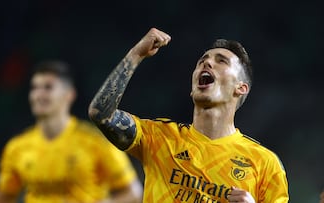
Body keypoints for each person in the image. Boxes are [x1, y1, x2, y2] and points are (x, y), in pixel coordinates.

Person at [88, 28, 289, 203]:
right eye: (203, 60)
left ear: (241, 88)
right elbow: (101, 114)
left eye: (221, 61)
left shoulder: (265, 163)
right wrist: (136, 54)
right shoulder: (159, 138)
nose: (207, 63)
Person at [0, 60, 143, 203]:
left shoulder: (94, 142)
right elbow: (6, 196)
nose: (39, 94)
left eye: (48, 87)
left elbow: (133, 193)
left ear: (69, 94)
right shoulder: (17, 147)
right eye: (34, 88)